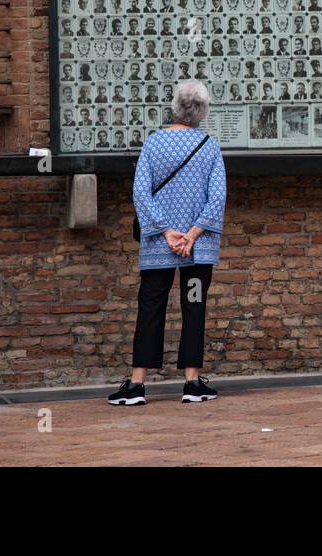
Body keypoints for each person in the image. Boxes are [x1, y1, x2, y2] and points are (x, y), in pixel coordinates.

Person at [109, 79, 227, 406]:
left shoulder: (153, 144)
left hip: (159, 246)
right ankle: (191, 382)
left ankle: (136, 384)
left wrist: (166, 232)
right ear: (202, 110)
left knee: (150, 307)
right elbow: (216, 197)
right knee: (194, 308)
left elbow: (141, 194)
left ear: (174, 106)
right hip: (196, 249)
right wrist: (190, 235)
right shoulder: (209, 146)